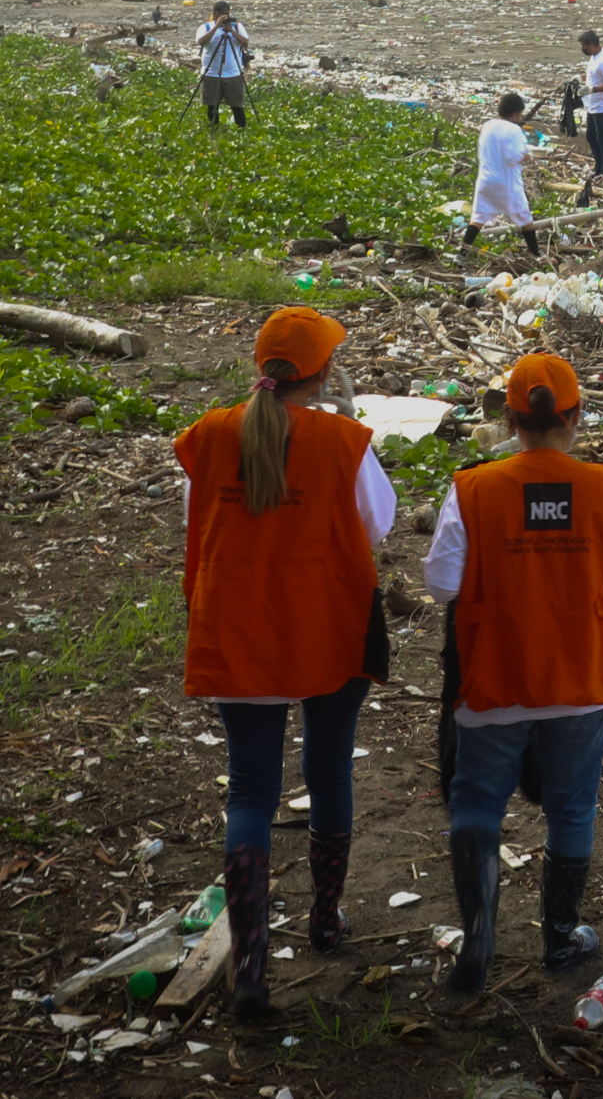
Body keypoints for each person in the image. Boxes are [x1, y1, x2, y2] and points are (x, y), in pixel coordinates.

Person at [176, 306, 398, 1017]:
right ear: (324, 373)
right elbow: (377, 524)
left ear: (259, 365)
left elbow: (197, 517)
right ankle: (325, 920)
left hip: (237, 625)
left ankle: (249, 968)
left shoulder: (210, 434)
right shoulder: (342, 440)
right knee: (328, 771)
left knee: (249, 791)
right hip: (327, 624)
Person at [426, 355, 603, 993]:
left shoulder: (473, 488)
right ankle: (560, 938)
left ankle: (479, 935)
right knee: (572, 807)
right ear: (576, 417)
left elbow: (441, 583)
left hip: (494, 677)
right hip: (582, 679)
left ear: (509, 419)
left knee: (476, 800)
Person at [463, 93, 541, 258]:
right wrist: (528, 156)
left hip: (486, 181)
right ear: (515, 114)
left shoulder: (488, 126)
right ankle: (536, 254)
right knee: (525, 218)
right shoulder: (514, 130)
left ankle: (461, 255)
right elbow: (514, 157)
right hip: (507, 183)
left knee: (478, 218)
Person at [196, 0, 253, 129]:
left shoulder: (237, 26)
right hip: (211, 73)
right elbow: (202, 42)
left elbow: (245, 43)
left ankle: (241, 130)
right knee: (212, 106)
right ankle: (213, 129)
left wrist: (231, 31)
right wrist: (217, 26)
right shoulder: (206, 27)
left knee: (237, 106)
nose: (225, 16)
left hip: (233, 73)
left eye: (227, 14)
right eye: (222, 14)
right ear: (215, 13)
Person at [576, 30, 603, 181]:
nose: (583, 49)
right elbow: (594, 75)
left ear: (592, 45)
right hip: (593, 105)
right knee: (591, 136)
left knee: (602, 139)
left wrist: (593, 89)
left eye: (584, 46)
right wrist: (580, 78)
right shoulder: (595, 57)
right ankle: (598, 167)